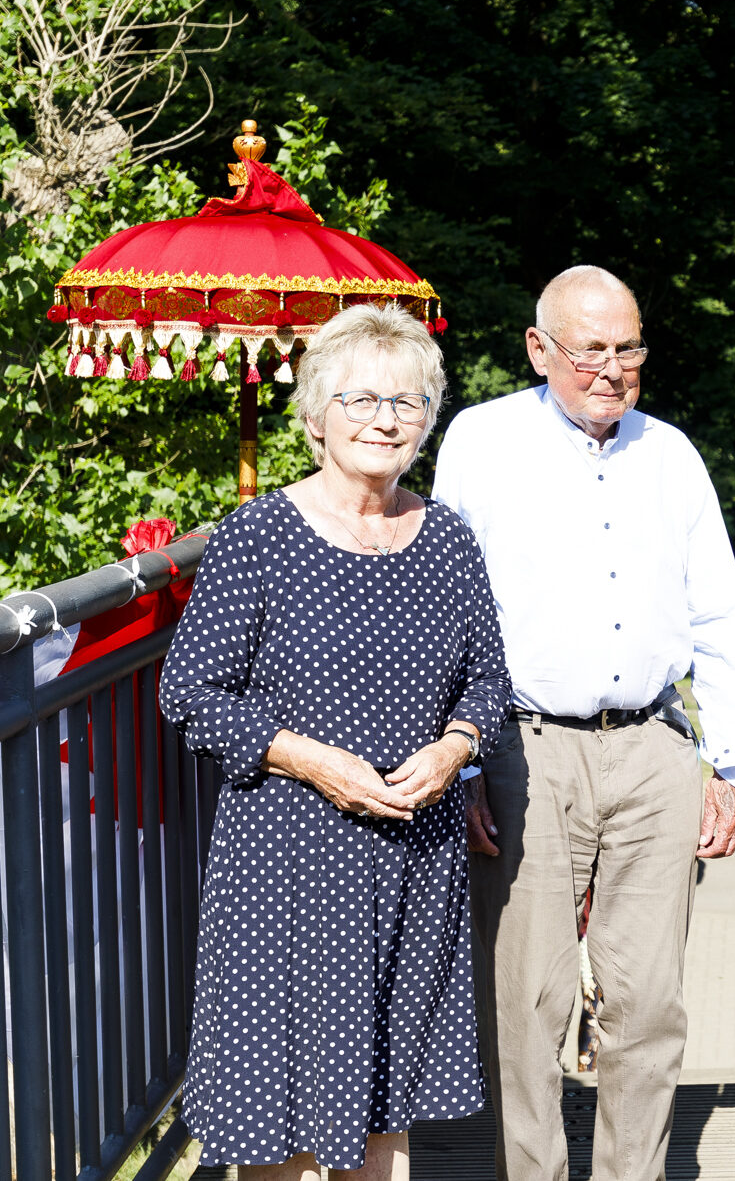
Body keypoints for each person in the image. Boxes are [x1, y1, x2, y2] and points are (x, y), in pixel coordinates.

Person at [430, 265, 735, 1181]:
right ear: (540, 350)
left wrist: (732, 765)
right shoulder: (482, 440)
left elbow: (718, 615)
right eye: (591, 349)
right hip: (522, 748)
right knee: (529, 1003)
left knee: (648, 1001)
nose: (612, 368)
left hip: (655, 748)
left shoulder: (672, 453)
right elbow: (449, 613)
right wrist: (461, 768)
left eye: (628, 348)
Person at [161, 305, 510, 1180]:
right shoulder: (258, 536)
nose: (384, 419)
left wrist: (457, 746)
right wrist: (311, 759)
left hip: (412, 860)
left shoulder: (450, 542)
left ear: (429, 421)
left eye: (408, 402)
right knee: (279, 1122)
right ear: (315, 416)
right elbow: (188, 691)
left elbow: (489, 680)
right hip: (287, 865)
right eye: (359, 399)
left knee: (385, 1113)